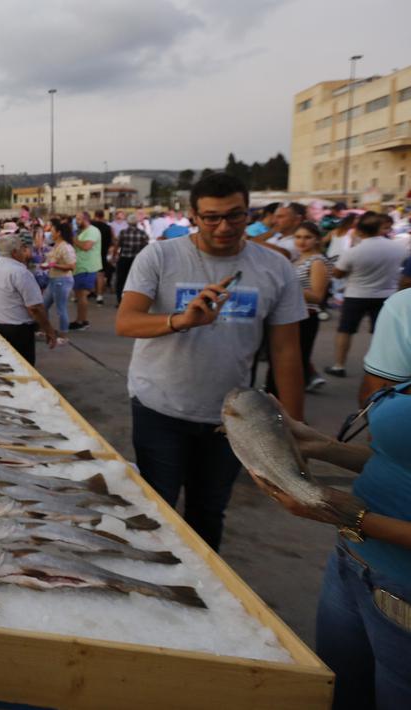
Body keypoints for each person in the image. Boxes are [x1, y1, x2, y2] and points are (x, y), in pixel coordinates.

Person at [115, 173, 306, 550]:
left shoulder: (275, 267)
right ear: (193, 216)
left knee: (208, 512)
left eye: (235, 216)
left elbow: (286, 350)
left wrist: (293, 425)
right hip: (160, 407)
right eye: (212, 217)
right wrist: (180, 320)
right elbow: (126, 321)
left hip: (229, 418)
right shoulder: (161, 255)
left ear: (248, 213)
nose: (224, 227)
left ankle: (201, 593)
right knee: (156, 509)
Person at [252, 389, 411, 708]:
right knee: (339, 694)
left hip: (402, 591)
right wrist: (323, 447)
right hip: (349, 563)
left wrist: (351, 516)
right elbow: (398, 462)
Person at [326, 211, 407, 378]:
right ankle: (384, 368)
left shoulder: (354, 251)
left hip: (356, 293)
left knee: (346, 330)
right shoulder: (398, 248)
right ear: (379, 229)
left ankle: (339, 365)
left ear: (360, 231)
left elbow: (338, 273)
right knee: (381, 332)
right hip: (387, 294)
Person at [0, 234, 58, 364]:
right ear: (15, 252)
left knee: (1, 365)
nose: (25, 252)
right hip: (18, 331)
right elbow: (35, 307)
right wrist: (48, 329)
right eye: (23, 249)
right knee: (22, 365)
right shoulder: (21, 273)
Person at [292, 223, 331, 393]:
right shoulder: (298, 259)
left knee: (298, 357)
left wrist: (288, 287)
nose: (302, 241)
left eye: (307, 237)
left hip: (306, 315)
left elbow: (317, 296)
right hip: (293, 314)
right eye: (298, 237)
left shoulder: (317, 262)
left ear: (316, 240)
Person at [41, 221, 76, 342]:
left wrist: (53, 265)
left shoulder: (66, 247)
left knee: (61, 309)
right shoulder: (56, 245)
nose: (51, 233)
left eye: (52, 231)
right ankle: (46, 329)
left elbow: (71, 266)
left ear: (59, 233)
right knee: (43, 305)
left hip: (62, 280)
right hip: (53, 279)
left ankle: (63, 335)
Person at [70, 211, 101, 330]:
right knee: (79, 294)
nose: (76, 222)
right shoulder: (82, 231)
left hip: (87, 267)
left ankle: (82, 321)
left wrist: (74, 239)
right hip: (80, 267)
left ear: (85, 219)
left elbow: (86, 246)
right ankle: (79, 319)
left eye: (78, 219)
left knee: (82, 295)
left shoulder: (92, 231)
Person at [112, 213, 149, 300]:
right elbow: (146, 247)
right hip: (137, 259)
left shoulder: (123, 232)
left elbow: (117, 246)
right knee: (136, 280)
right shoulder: (142, 233)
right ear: (137, 223)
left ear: (128, 223)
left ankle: (120, 300)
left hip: (124, 258)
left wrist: (114, 256)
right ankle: (134, 299)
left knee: (121, 280)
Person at [91, 210, 114, 305]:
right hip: (103, 252)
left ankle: (93, 291)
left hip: (91, 252)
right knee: (100, 275)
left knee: (92, 274)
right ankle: (99, 296)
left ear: (95, 215)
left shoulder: (91, 226)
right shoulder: (108, 227)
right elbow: (111, 240)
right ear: (103, 216)